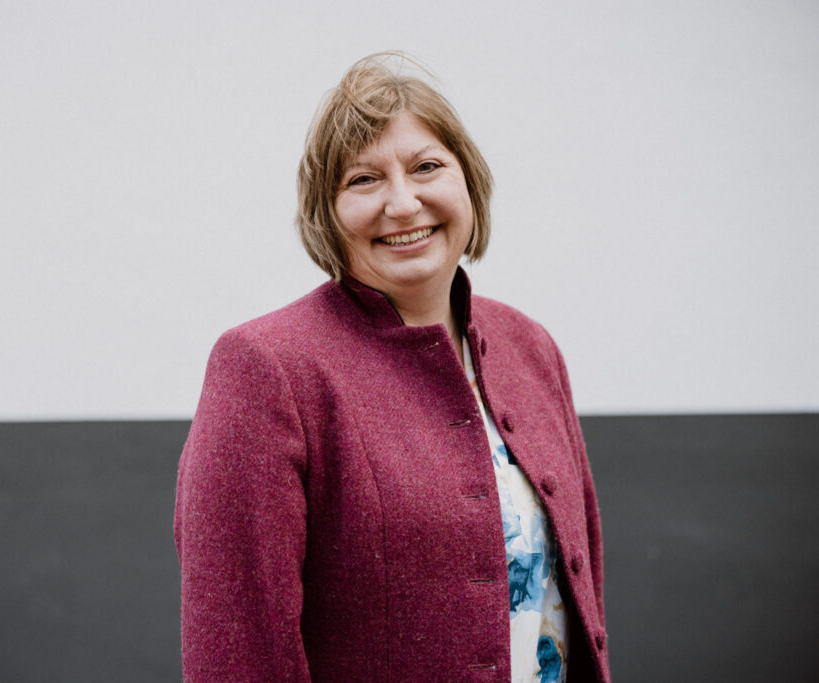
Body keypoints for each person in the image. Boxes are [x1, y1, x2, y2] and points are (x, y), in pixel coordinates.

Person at [174, 53, 610, 682]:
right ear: (327, 213)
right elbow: (237, 650)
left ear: (469, 182)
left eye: (427, 167)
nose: (403, 204)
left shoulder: (529, 346)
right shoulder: (266, 368)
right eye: (363, 179)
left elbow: (577, 593)